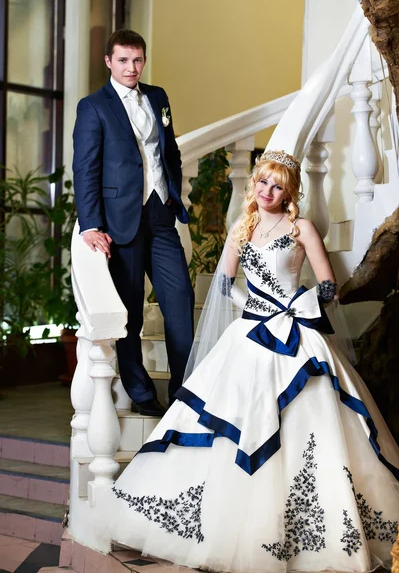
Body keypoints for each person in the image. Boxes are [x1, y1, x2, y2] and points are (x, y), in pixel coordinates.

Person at [103, 150, 399, 573]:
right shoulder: (242, 228)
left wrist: (294, 306)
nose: (267, 191)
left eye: (277, 185)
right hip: (251, 330)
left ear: (290, 191)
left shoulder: (302, 228)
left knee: (315, 425)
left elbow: (329, 286)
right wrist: (255, 307)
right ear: (253, 184)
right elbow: (223, 281)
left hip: (296, 334)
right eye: (262, 182)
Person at [73, 29, 194, 416]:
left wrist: (172, 194)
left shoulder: (157, 97)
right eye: (123, 60)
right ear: (109, 61)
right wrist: (91, 223)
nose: (131, 67)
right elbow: (86, 168)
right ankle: (141, 394)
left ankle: (183, 392)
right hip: (119, 221)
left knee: (179, 303)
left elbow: (167, 149)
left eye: (137, 60)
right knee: (131, 312)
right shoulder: (93, 107)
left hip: (159, 214)